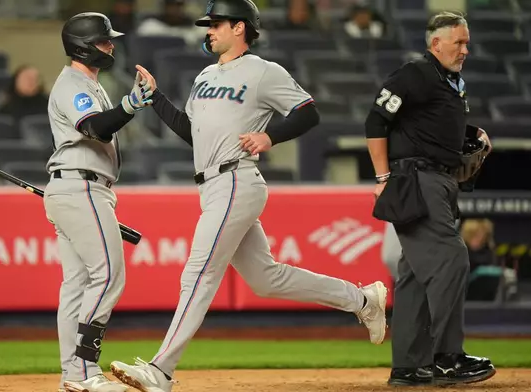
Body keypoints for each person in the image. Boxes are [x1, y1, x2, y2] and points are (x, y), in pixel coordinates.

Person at [109, 1, 388, 391]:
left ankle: (160, 370)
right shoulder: (206, 75)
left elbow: (308, 112)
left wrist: (269, 136)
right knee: (266, 279)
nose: (209, 30)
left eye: (217, 24)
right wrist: (155, 98)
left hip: (235, 180)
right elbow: (193, 134)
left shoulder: (262, 71)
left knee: (198, 274)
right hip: (211, 185)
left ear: (240, 27)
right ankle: (362, 300)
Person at [364, 11, 496, 387]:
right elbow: (376, 121)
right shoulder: (416, 74)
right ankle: (447, 357)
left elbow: (429, 124)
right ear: (435, 43)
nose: (465, 49)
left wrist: (471, 135)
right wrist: (383, 177)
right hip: (416, 180)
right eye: (458, 42)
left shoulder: (451, 82)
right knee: (452, 259)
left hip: (438, 180)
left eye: (467, 42)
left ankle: (408, 366)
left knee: (415, 276)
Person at [43, 12, 153, 392]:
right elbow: (93, 127)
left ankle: (72, 377)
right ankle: (87, 371)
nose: (111, 45)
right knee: (107, 276)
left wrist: (125, 105)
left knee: (76, 285)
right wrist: (130, 105)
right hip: (81, 187)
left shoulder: (89, 82)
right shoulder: (73, 83)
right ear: (84, 46)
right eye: (104, 41)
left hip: (79, 187)